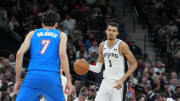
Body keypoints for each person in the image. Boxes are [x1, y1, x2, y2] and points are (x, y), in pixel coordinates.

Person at [14, 11, 72, 101]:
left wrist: (17, 81)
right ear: (56, 24)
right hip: (52, 76)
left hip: (33, 75)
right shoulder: (61, 35)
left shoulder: (32, 34)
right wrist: (68, 79)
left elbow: (19, 54)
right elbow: (62, 54)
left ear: (42, 24)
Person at [82, 21, 137, 101]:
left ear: (117, 33)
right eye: (109, 30)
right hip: (105, 81)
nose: (111, 32)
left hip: (118, 82)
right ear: (106, 31)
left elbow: (134, 64)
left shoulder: (122, 45)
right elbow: (98, 68)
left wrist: (122, 80)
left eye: (114, 31)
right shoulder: (102, 45)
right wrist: (87, 66)